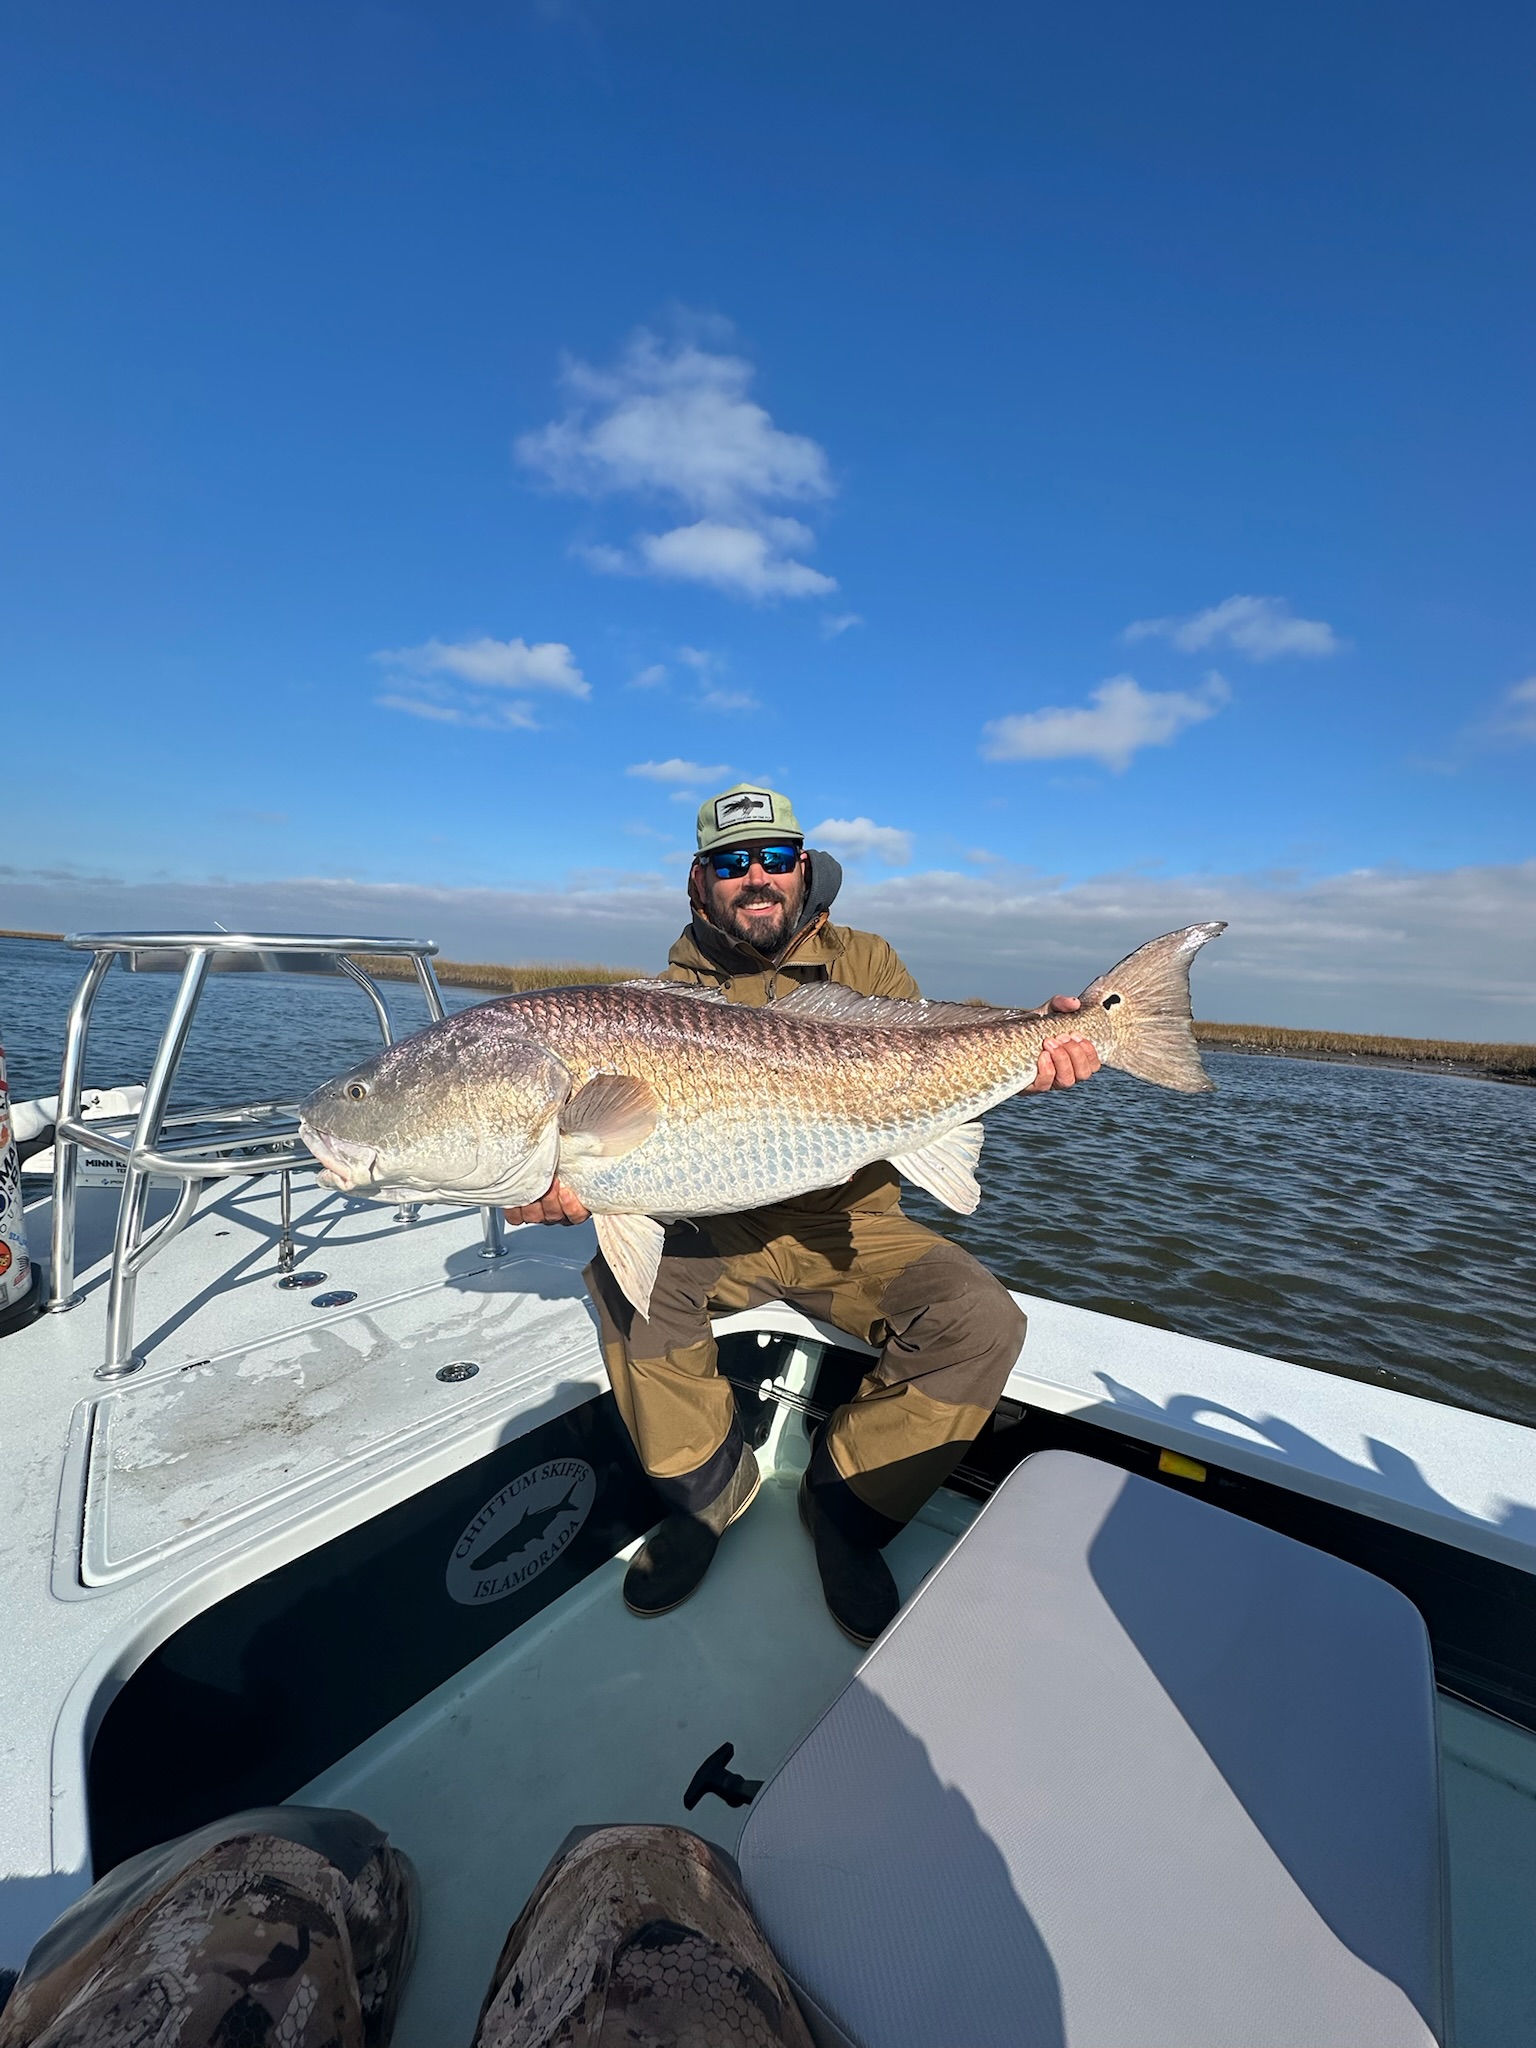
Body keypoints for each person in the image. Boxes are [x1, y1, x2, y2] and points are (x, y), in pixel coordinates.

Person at [507, 784, 1100, 1644]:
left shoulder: (869, 962)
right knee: (624, 1287)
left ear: (805, 869)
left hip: (852, 1225)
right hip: (725, 1229)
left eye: (776, 859)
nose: (757, 878)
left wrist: (1031, 1045)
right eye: (731, 863)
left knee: (981, 1320)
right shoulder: (660, 1001)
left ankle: (846, 1511)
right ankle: (709, 1496)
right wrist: (570, 1182)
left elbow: (933, 1055)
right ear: (698, 883)